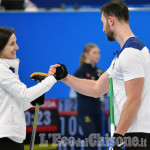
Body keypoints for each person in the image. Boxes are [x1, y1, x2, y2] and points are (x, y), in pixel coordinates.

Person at [49, 1, 150, 150]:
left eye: (103, 22)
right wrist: (65, 77)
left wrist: (118, 135)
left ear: (111, 20)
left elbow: (134, 98)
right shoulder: (124, 54)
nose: (103, 29)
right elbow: (97, 88)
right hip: (133, 132)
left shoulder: (131, 53)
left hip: (139, 133)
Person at [0, 27, 67, 150]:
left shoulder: (8, 69)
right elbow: (25, 94)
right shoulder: (2, 70)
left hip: (10, 137)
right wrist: (53, 78)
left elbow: (14, 103)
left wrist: (33, 99)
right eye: (12, 44)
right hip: (4, 138)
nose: (17, 47)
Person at [73, 43, 104, 149]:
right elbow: (81, 91)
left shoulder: (100, 72)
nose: (97, 55)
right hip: (86, 112)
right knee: (91, 143)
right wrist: (96, 89)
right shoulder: (80, 73)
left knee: (99, 139)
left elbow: (106, 90)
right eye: (94, 52)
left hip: (97, 112)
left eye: (98, 53)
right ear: (86, 54)